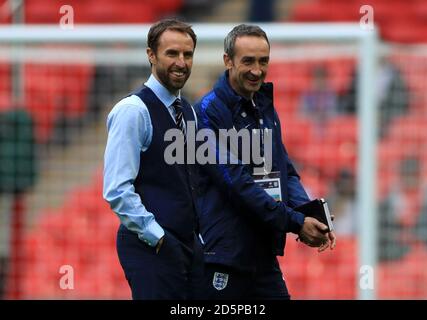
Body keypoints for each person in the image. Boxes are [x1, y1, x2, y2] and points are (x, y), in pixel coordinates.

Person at [193, 24, 336, 300]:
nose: (257, 70)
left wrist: (313, 215)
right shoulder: (206, 114)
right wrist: (296, 223)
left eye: (263, 61)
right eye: (248, 61)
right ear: (228, 61)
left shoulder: (264, 107)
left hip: (263, 255)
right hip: (223, 257)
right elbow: (237, 184)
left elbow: (284, 170)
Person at [103, 19, 203, 300]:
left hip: (188, 246)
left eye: (187, 54)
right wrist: (157, 236)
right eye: (172, 53)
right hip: (151, 246)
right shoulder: (133, 111)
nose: (181, 62)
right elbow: (117, 189)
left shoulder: (190, 113)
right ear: (151, 55)